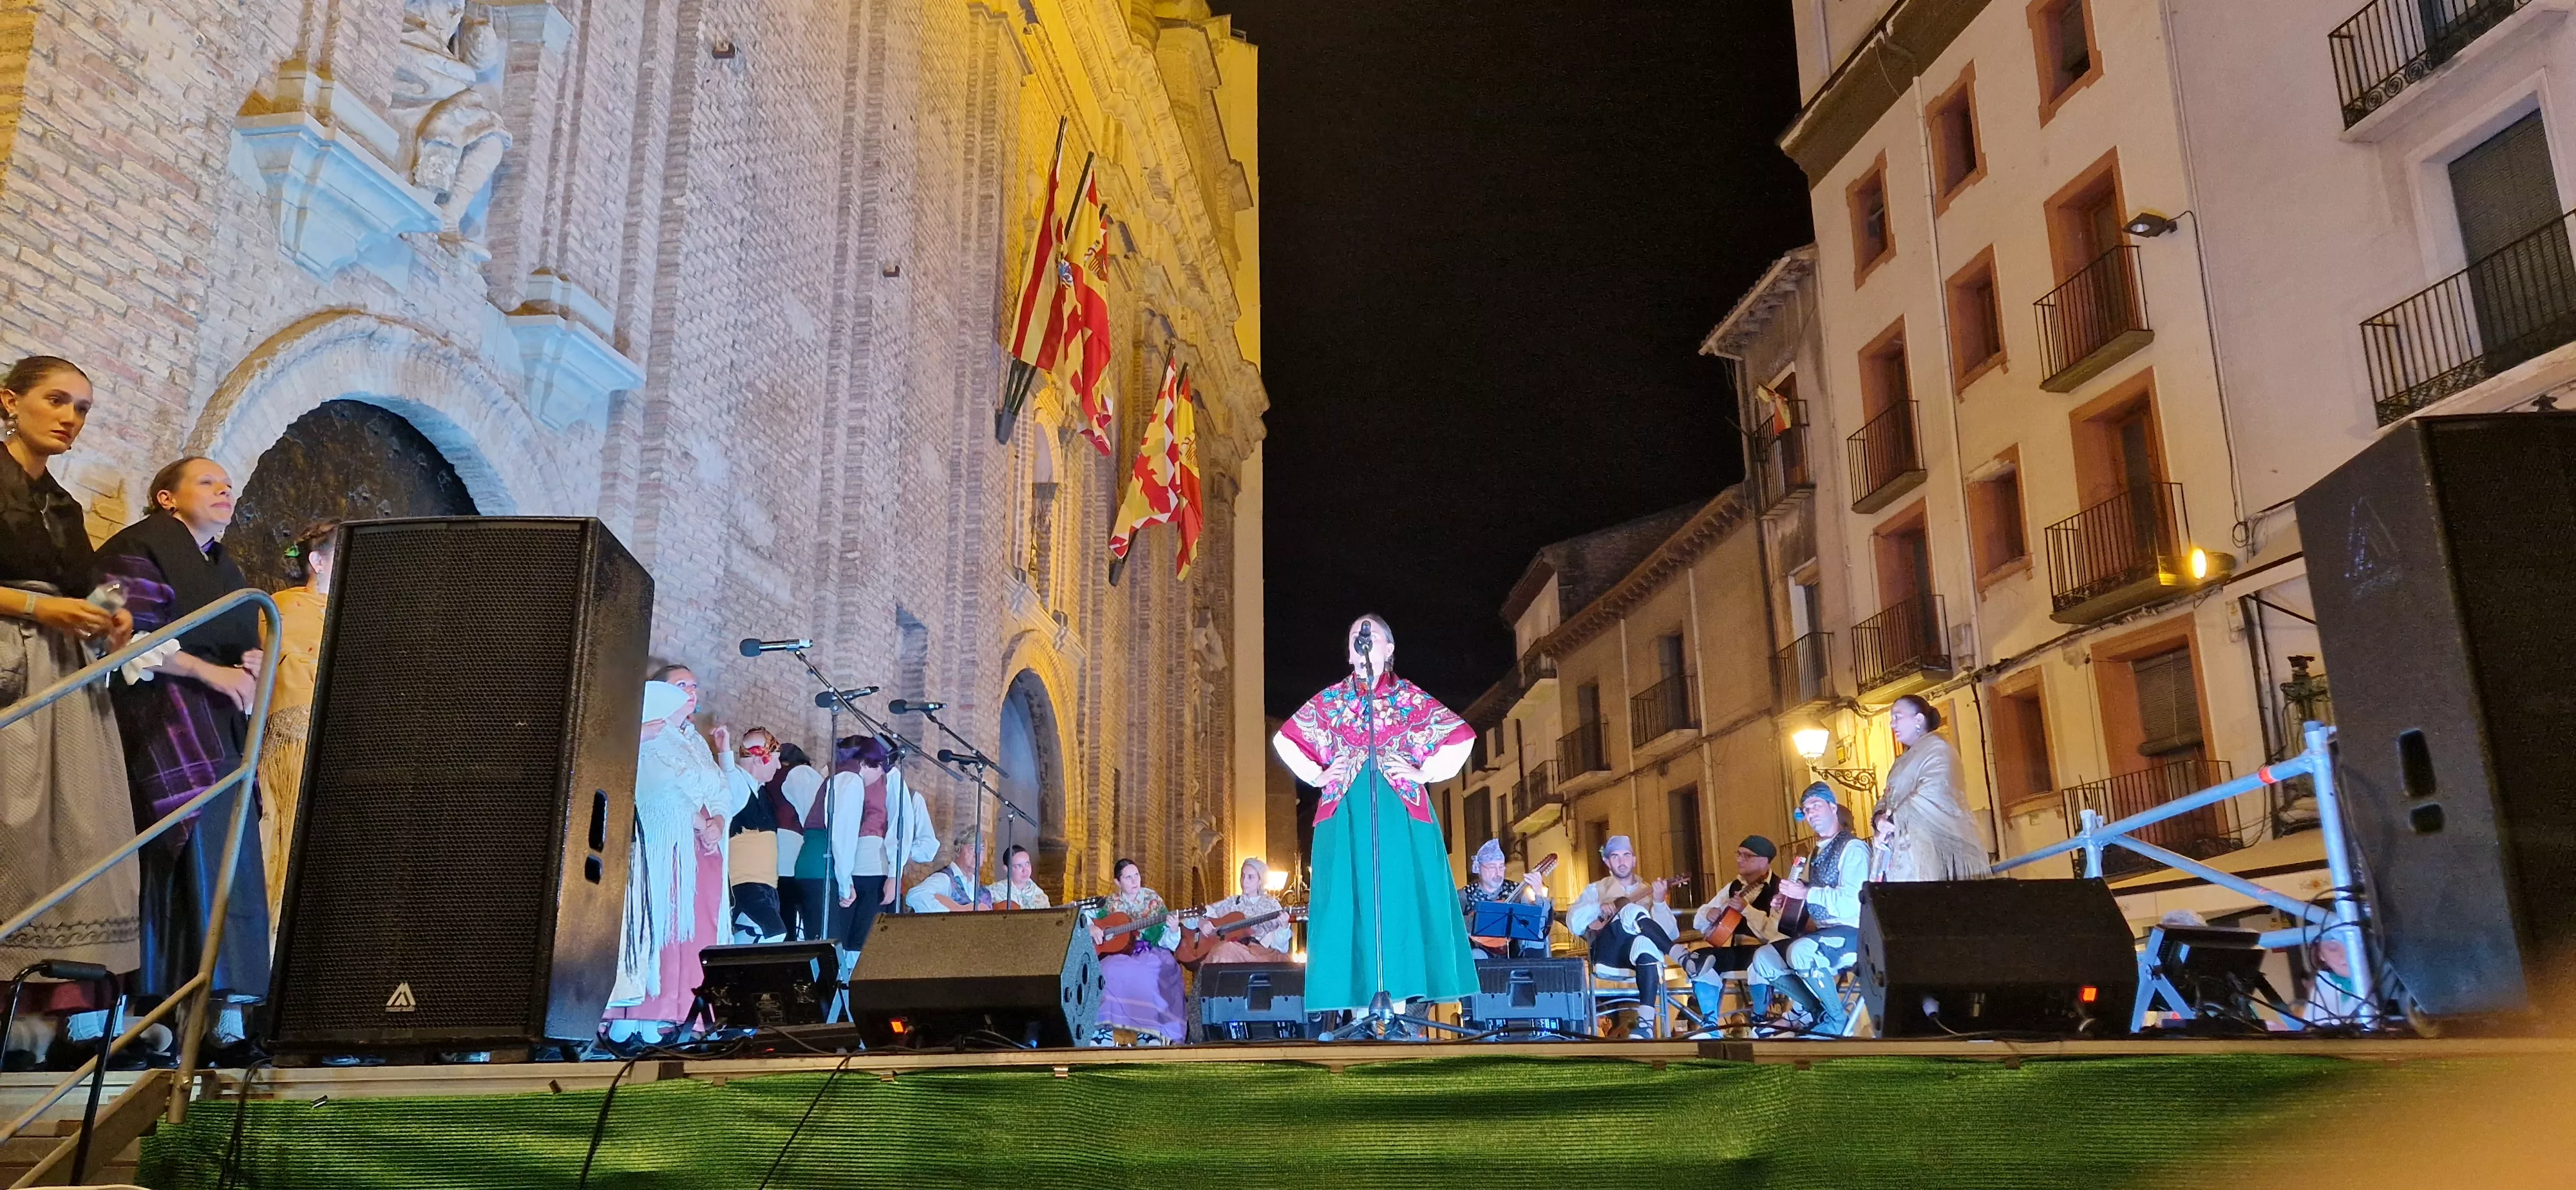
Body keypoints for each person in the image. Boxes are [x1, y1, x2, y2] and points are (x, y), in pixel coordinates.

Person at [96, 456, 272, 1052]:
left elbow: (244, 638)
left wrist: (251, 664)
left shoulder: (227, 566)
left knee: (228, 862)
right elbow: (119, 635)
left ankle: (220, 1018)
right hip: (160, 722)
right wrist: (213, 674)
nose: (224, 492)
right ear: (166, 498)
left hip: (222, 730)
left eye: (228, 486)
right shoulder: (136, 546)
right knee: (168, 863)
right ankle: (142, 1017)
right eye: (207, 483)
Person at [0, 355, 141, 1066]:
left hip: (59, 677)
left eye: (82, 407)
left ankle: (37, 1020)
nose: (70, 417)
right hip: (7, 667)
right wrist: (35, 605)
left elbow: (85, 585)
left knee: (65, 836)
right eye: (57, 400)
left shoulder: (64, 505)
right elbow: (42, 592)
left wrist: (113, 616)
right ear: (9, 400)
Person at [1269, 614, 1478, 1014]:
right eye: (1355, 636)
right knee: (1352, 903)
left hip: (1397, 813)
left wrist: (1423, 772)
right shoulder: (1331, 702)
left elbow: (1460, 736)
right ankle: (1359, 1011)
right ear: (1350, 653)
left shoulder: (1410, 700)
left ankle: (1396, 1007)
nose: (1362, 641)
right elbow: (1286, 740)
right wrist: (1318, 773)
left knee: (1396, 902)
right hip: (1346, 814)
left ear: (1390, 649)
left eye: (1372, 634)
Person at [604, 666, 750, 1039]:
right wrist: (702, 822)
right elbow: (658, 783)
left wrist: (717, 819)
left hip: (702, 849)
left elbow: (720, 788)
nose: (691, 691)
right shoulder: (649, 732)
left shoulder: (695, 740)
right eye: (680, 684)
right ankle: (646, 1011)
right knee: (666, 922)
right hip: (667, 842)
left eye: (694, 685)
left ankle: (684, 1012)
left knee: (697, 928)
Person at [254, 519, 336, 920]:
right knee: (287, 833)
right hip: (297, 737)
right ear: (317, 561)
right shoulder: (285, 605)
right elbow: (282, 664)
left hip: (348, 743)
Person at [1751, 784, 1872, 1037]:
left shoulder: (1854, 849)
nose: (1811, 813)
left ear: (1833, 807)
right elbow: (1818, 891)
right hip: (1824, 933)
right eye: (1806, 810)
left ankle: (1838, 1020)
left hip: (1856, 933)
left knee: (1801, 951)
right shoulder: (1819, 851)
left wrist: (1805, 893)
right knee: (1764, 958)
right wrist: (1788, 899)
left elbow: (1852, 901)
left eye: (1816, 805)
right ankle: (1818, 1013)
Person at [826, 735, 936, 958]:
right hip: (841, 865)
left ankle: (853, 989)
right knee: (838, 939)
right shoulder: (839, 773)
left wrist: (895, 874)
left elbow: (899, 824)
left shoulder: (891, 777)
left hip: (875, 866)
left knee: (863, 942)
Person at [1566, 835, 1681, 1037]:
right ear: (1607, 862)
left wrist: (1660, 902)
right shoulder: (1597, 889)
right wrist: (1598, 907)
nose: (1622, 861)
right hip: (1609, 954)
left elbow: (1669, 934)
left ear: (1634, 860)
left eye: (1626, 855)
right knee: (1628, 911)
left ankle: (1645, 1025)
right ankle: (1681, 956)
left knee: (1645, 941)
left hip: (1640, 957)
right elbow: (1574, 923)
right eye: (1616, 856)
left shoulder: (1649, 890)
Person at [1873, 695, 1989, 882]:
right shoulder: (1901, 760)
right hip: (1901, 851)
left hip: (1931, 848)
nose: (1892, 724)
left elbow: (1934, 791)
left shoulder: (1939, 749)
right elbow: (1887, 797)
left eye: (1897, 717)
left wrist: (1894, 818)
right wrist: (1879, 819)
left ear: (1918, 719)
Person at [1685, 836, 1786, 1017]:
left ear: (1764, 861)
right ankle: (1710, 1023)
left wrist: (1746, 910)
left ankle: (1760, 1019)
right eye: (1739, 854)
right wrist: (1708, 913)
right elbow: (1699, 919)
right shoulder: (1734, 887)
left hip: (1766, 952)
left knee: (1760, 961)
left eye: (1747, 856)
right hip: (1737, 951)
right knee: (1699, 959)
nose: (1740, 859)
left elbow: (1775, 932)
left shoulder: (1780, 889)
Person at [1088, 858, 1184, 1044]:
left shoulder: (1153, 900)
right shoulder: (1109, 903)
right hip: (1120, 954)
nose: (1135, 881)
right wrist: (1092, 927)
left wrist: (1173, 930)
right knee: (1108, 971)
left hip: (1151, 952)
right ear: (1117, 882)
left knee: (1146, 974)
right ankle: (1106, 1033)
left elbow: (1168, 942)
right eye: (1128, 878)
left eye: (1137, 875)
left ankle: (1151, 1034)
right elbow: (1083, 914)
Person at [724, 728, 790, 942]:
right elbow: (729, 777)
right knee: (771, 936)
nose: (779, 766)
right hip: (745, 885)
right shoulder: (736, 785)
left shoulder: (760, 791)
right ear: (760, 760)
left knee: (769, 943)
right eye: (776, 761)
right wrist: (725, 750)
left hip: (767, 886)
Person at [764, 744, 830, 941]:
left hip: (769, 848)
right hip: (792, 850)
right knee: (793, 916)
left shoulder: (768, 776)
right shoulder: (800, 772)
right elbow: (814, 814)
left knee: (781, 912)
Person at [1193, 857, 1294, 965]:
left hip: (1261, 957)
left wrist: (1284, 927)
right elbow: (1196, 914)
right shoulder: (1232, 902)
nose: (1245, 881)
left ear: (1261, 881)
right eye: (1243, 876)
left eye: (1251, 877)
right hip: (1233, 952)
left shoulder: (1272, 905)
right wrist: (1201, 922)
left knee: (1225, 950)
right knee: (1223, 950)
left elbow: (1281, 948)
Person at [1461, 838, 1546, 958]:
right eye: (1492, 867)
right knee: (1475, 956)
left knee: (1534, 945)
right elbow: (1451, 925)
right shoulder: (1465, 895)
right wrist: (1479, 923)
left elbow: (1539, 922)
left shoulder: (1517, 891)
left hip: (1515, 950)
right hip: (1479, 951)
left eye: (1501, 867)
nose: (1498, 873)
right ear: (1479, 869)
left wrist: (1538, 893)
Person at [905, 827, 991, 913]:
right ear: (958, 850)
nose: (977, 854)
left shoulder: (985, 893)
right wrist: (956, 912)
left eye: (982, 849)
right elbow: (915, 895)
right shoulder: (944, 879)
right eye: (971, 848)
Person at [984, 844, 1050, 910]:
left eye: (1027, 864)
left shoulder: (1040, 895)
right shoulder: (993, 892)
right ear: (1006, 869)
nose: (1025, 870)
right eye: (1018, 866)